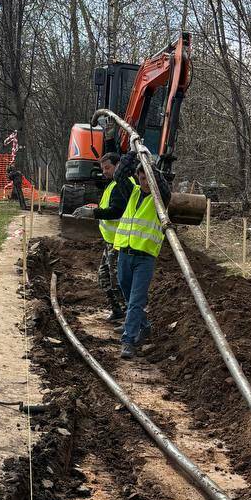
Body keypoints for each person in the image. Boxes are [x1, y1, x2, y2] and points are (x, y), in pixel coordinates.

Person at [113, 160, 171, 360]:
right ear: (138, 178)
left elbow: (164, 187)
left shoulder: (160, 199)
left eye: (149, 178)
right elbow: (119, 175)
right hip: (124, 254)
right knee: (128, 295)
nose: (146, 182)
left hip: (144, 258)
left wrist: (153, 169)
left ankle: (128, 340)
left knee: (136, 300)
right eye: (143, 178)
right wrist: (132, 152)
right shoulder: (133, 193)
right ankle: (144, 326)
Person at [92, 152, 125, 321]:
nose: (104, 171)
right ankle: (118, 310)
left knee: (117, 281)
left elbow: (116, 211)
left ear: (118, 165)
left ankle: (129, 316)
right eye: (102, 168)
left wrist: (93, 213)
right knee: (104, 276)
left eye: (107, 167)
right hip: (110, 242)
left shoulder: (121, 185)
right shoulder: (112, 185)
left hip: (119, 242)